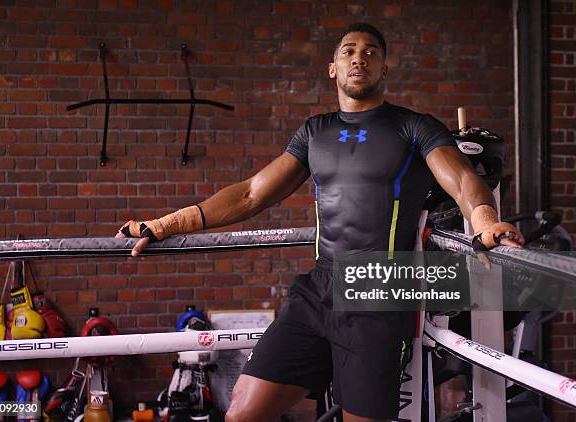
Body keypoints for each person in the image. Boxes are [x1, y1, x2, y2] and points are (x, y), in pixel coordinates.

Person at [116, 23, 524, 422]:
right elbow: (251, 193)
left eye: (370, 52)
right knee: (242, 412)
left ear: (384, 70)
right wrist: (167, 223)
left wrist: (485, 220)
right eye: (348, 51)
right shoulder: (315, 131)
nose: (358, 58)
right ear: (333, 68)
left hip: (378, 295)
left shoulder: (414, 126)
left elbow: (463, 178)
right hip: (318, 291)